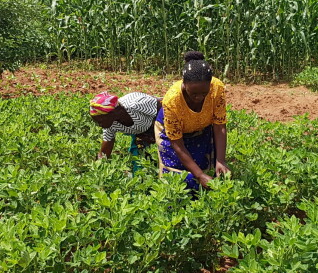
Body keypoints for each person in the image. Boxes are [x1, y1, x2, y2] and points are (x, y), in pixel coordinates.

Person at [155, 51, 230, 190]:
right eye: (193, 93)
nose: (199, 97)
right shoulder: (172, 101)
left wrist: (221, 160)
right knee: (177, 176)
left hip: (201, 126)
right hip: (173, 134)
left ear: (210, 85)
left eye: (204, 93)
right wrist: (199, 175)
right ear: (184, 84)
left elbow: (219, 126)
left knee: (205, 166)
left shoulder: (217, 88)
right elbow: (177, 143)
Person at [89, 91, 161, 167]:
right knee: (139, 162)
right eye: (97, 122)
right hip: (143, 133)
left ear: (113, 113)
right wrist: (99, 165)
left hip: (163, 123)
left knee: (166, 154)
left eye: (100, 121)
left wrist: (161, 132)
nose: (99, 125)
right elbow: (106, 148)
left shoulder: (135, 104)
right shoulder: (110, 124)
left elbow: (164, 107)